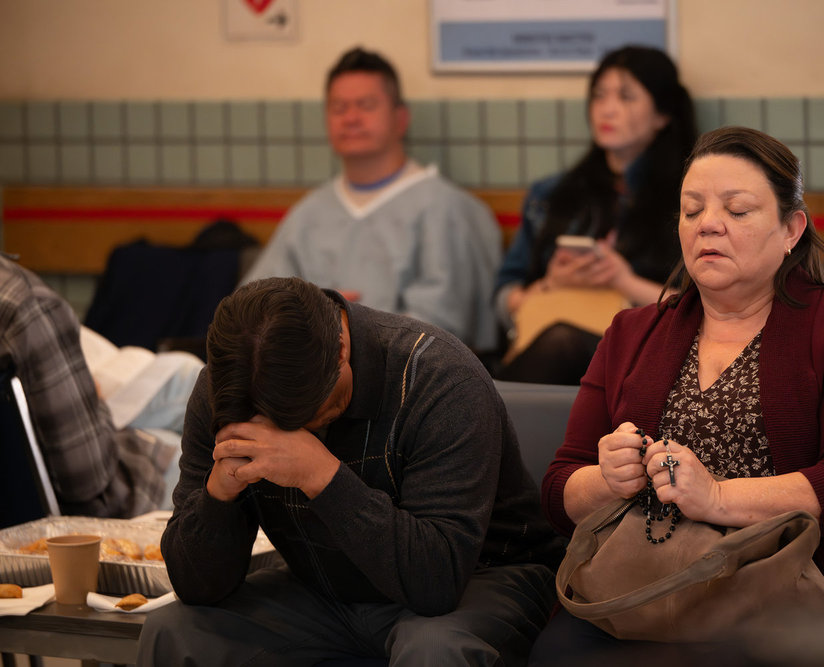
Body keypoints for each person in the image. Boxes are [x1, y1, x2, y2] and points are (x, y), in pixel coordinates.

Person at [529, 126, 824, 663]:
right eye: (692, 211)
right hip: (641, 588)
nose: (708, 224)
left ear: (791, 229)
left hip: (795, 589)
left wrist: (715, 498)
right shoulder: (631, 331)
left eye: (737, 211)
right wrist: (607, 479)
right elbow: (558, 490)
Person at [137, 276, 565, 666]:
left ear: (341, 350)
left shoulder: (439, 378)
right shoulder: (227, 391)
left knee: (436, 650)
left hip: (483, 575)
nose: (294, 435)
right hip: (325, 587)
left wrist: (321, 474)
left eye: (311, 415)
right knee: (174, 630)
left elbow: (436, 583)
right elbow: (196, 587)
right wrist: (219, 496)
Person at [240, 46, 501, 353]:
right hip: (309, 380)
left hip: (408, 382)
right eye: (338, 108)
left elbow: (441, 324)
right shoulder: (308, 213)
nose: (351, 118)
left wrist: (347, 328)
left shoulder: (444, 208)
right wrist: (305, 315)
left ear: (400, 118)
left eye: (365, 105)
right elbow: (250, 308)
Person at [493, 45, 696, 384]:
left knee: (564, 342)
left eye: (626, 97)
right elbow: (504, 298)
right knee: (555, 341)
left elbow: (709, 307)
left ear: (663, 115)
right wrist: (551, 283)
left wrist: (623, 280)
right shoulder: (550, 195)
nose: (607, 109)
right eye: (599, 96)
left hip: (648, 356)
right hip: (546, 339)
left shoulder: (691, 199)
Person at [0, 253, 178, 517]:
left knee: (186, 373)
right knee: (197, 457)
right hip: (75, 518)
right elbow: (88, 481)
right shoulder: (24, 302)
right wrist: (96, 403)